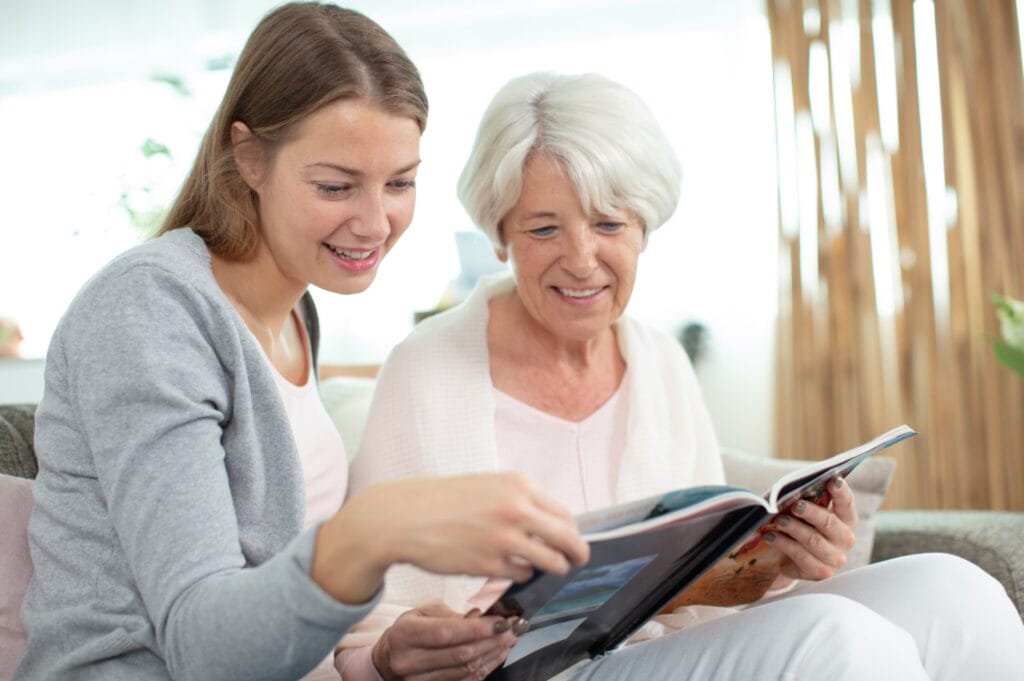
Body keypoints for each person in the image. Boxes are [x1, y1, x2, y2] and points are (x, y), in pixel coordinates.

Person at [342, 71, 1024, 679]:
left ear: (646, 228)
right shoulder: (425, 368)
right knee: (838, 636)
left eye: (609, 223)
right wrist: (391, 650)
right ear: (499, 234)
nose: (582, 260)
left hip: (661, 645)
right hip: (526, 670)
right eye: (544, 229)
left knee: (957, 588)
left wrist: (785, 558)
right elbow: (363, 615)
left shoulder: (660, 362)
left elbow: (709, 585)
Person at [13, 9, 590, 681]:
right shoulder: (149, 310)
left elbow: (282, 623)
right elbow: (206, 649)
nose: (376, 222)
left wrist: (382, 659)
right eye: (335, 185)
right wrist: (372, 531)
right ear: (248, 156)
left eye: (400, 181)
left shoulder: (295, 310)